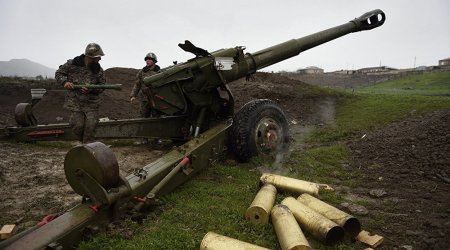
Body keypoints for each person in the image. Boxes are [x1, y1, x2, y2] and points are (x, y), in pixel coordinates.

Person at [55, 42, 106, 143]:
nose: (100, 59)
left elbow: (102, 86)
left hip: (91, 103)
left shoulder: (98, 70)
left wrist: (91, 89)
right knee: (77, 125)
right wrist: (65, 82)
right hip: (75, 102)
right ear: (91, 56)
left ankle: (87, 147)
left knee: (91, 126)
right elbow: (59, 73)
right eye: (98, 56)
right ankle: (83, 144)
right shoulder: (72, 64)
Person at [130, 52, 161, 118]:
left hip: (156, 98)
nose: (147, 61)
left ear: (154, 61)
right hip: (144, 98)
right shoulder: (142, 72)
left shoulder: (159, 72)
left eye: (149, 59)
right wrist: (133, 96)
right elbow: (137, 84)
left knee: (156, 116)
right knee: (143, 116)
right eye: (146, 59)